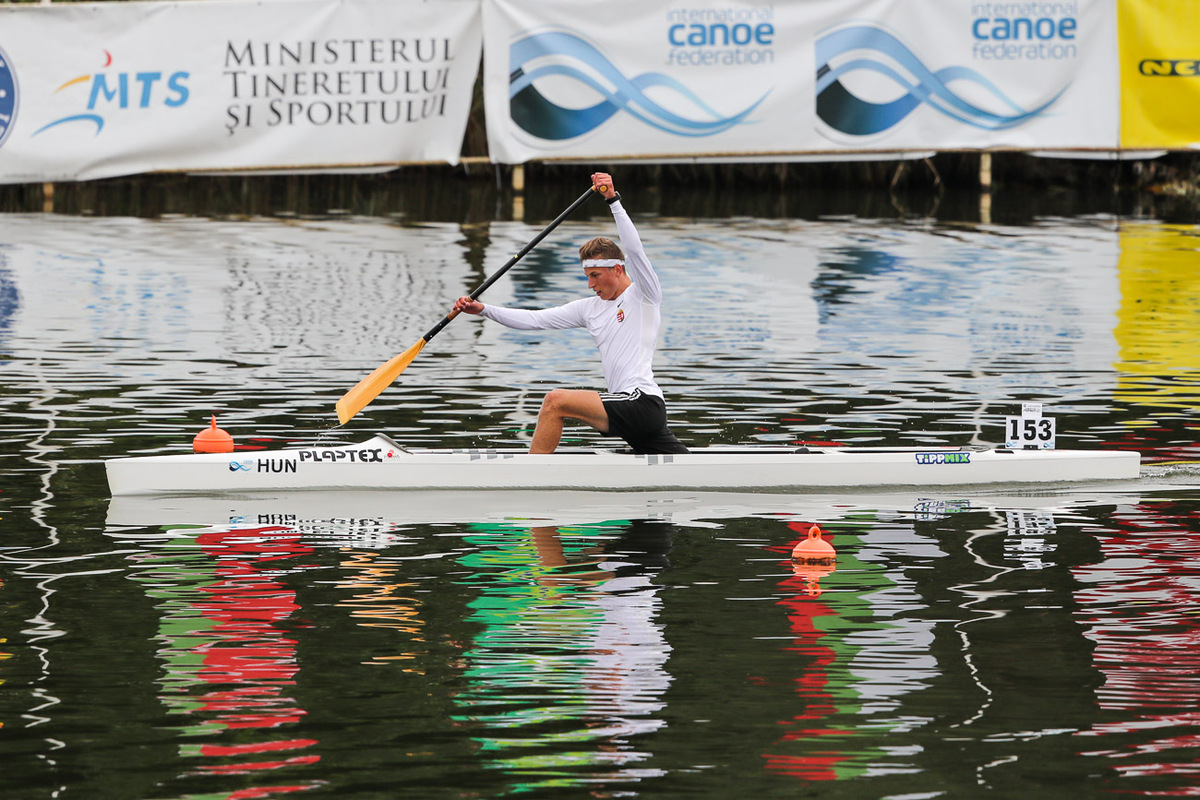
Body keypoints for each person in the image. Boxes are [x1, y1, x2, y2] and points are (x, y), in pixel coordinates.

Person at [452, 172, 688, 455]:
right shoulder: (589, 308)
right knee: (684, 467)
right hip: (629, 408)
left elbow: (635, 251)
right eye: (587, 276)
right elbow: (535, 319)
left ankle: (530, 475)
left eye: (596, 275)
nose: (590, 284)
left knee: (555, 401)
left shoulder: (643, 296)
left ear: (617, 269)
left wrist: (613, 200)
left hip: (641, 402)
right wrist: (484, 310)